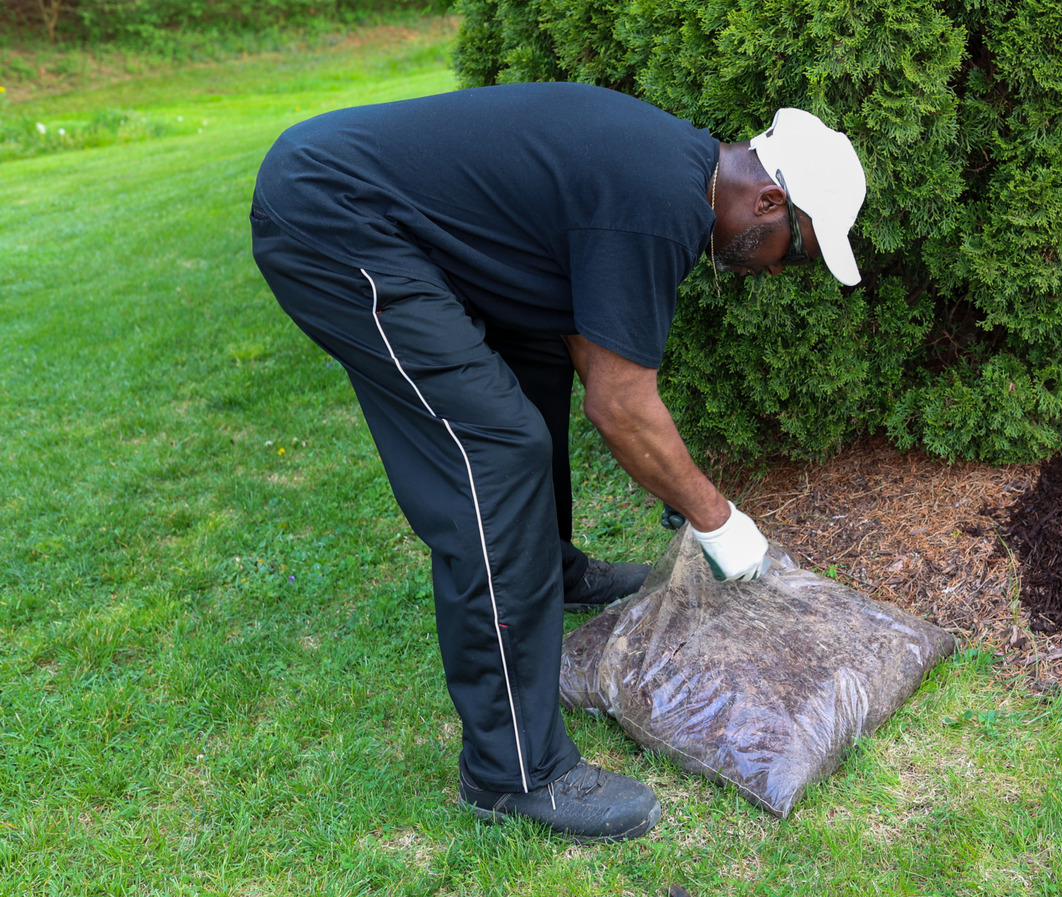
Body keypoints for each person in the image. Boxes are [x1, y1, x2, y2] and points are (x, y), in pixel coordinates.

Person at [249, 81, 867, 843]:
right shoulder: (658, 205)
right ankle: (512, 769)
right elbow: (621, 405)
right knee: (496, 450)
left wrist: (674, 486)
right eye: (796, 251)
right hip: (333, 220)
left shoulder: (673, 171)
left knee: (536, 353)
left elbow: (584, 333)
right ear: (769, 202)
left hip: (369, 206)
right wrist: (719, 520)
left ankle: (552, 567)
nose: (778, 270)